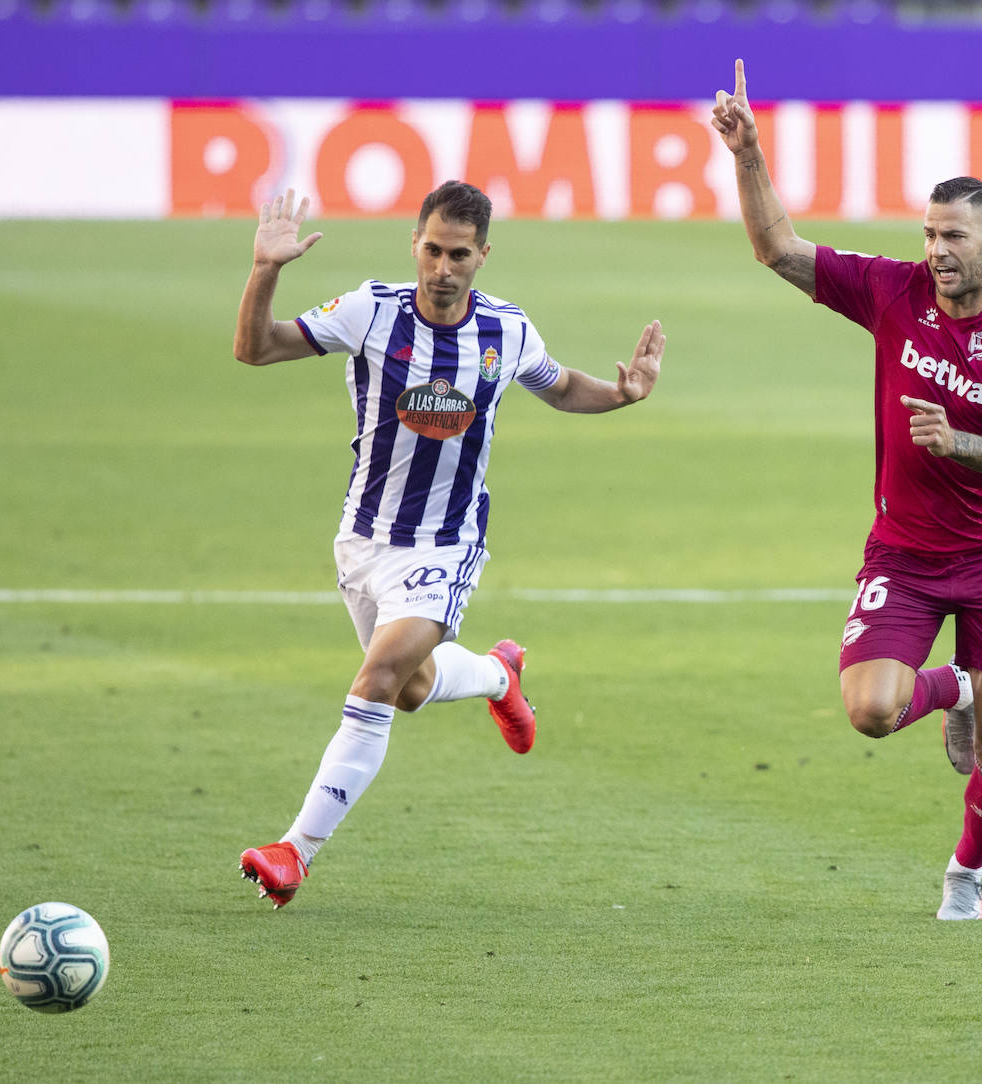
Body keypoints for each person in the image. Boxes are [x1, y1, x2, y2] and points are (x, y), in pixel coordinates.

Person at [232, 182, 665, 908]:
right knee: (412, 689)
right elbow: (253, 350)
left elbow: (558, 388)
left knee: (375, 680)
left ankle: (294, 852)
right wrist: (266, 269)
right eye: (432, 249)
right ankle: (501, 676)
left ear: (483, 255)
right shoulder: (371, 310)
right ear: (415, 243)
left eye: (459, 254)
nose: (442, 267)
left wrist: (620, 394)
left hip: (446, 542)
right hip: (364, 540)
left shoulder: (506, 331)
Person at [712, 60, 982, 920]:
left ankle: (965, 878)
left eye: (954, 237)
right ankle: (957, 685)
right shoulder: (892, 289)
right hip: (904, 549)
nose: (937, 251)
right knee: (870, 711)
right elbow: (776, 250)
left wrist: (959, 443)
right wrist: (748, 154)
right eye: (930, 234)